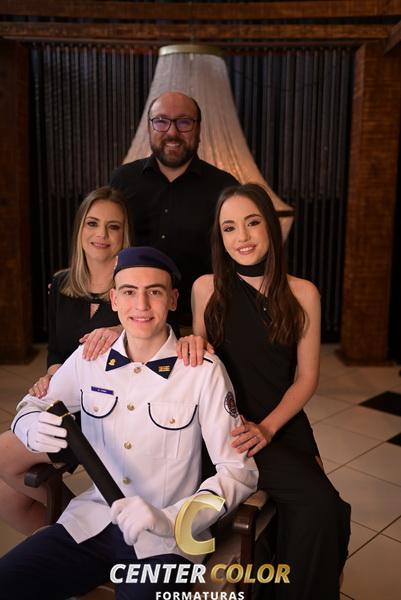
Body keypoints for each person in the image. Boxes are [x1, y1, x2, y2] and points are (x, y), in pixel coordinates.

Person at [0, 246, 257, 600]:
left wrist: (171, 519)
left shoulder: (202, 371)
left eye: (154, 292)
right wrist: (28, 424)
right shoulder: (90, 357)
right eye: (129, 292)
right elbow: (34, 402)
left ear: (173, 299)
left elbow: (238, 473)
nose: (141, 304)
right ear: (114, 299)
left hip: (168, 542)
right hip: (92, 522)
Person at [183, 183, 351, 600]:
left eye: (252, 223)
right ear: (219, 237)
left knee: (321, 510)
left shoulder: (303, 293)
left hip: (281, 421)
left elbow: (306, 378)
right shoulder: (206, 288)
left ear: (271, 228)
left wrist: (270, 428)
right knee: (321, 506)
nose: (241, 237)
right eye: (229, 228)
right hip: (232, 428)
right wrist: (189, 343)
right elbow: (199, 362)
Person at [0, 186, 131, 535]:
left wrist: (122, 329)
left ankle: (87, 533)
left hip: (111, 412)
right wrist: (52, 373)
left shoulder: (133, 285)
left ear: (125, 234)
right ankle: (82, 542)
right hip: (67, 401)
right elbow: (57, 350)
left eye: (113, 227)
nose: (101, 235)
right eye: (93, 223)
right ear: (80, 229)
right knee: (6, 497)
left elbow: (160, 333)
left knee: (4, 454)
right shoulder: (61, 283)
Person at [111, 91, 238, 326]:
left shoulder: (225, 187)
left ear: (198, 128)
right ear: (149, 127)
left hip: (203, 320)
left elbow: (236, 257)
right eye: (161, 121)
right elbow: (101, 242)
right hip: (135, 318)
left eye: (184, 122)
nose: (172, 132)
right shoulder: (122, 180)